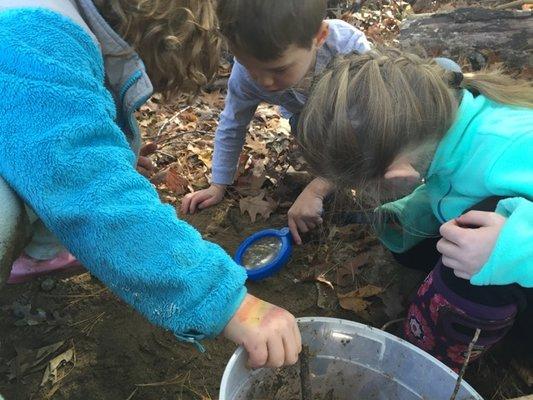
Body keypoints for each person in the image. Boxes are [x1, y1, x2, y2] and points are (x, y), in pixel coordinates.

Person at [0, 0, 301, 369]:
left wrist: (114, 157)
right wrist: (227, 302)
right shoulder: (31, 41)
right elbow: (92, 191)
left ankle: (33, 249)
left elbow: (56, 131)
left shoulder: (50, 18)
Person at [297, 47, 533, 371]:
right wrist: (414, 210)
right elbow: (459, 183)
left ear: (398, 175)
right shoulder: (446, 119)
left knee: (471, 242)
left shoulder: (508, 145)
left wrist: (509, 249)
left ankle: (429, 362)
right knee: (410, 246)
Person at [180, 0, 371, 244]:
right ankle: (332, 169)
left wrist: (318, 187)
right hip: (306, 119)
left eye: (279, 70)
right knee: (307, 129)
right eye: (251, 68)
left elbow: (371, 123)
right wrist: (218, 184)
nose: (265, 82)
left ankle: (341, 176)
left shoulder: (349, 49)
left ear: (319, 36)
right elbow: (232, 125)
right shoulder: (245, 76)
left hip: (356, 113)